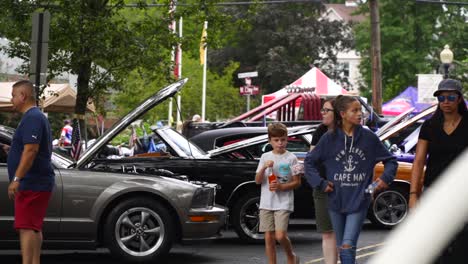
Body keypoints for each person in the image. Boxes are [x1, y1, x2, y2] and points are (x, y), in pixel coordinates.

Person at [304, 95, 397, 264]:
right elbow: (309, 162)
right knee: (343, 248)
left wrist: (382, 180)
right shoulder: (329, 138)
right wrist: (321, 183)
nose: (360, 114)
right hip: (335, 201)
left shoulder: (369, 138)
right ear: (343, 114)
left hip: (359, 199)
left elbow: (391, 161)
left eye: (360, 110)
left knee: (347, 246)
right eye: (354, 110)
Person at [409, 78, 468, 263]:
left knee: (462, 243)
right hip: (433, 191)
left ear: (459, 99)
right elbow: (418, 162)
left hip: (461, 193)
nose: (446, 102)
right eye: (441, 98)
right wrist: (413, 195)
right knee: (435, 243)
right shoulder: (429, 126)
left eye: (451, 97)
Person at [7, 80, 55, 264]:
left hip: (32, 183)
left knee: (27, 228)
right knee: (33, 228)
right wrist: (11, 150)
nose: (12, 100)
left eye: (13, 96)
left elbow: (31, 150)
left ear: (23, 96)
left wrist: (17, 178)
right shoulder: (36, 116)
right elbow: (29, 148)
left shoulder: (32, 117)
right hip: (37, 182)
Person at [255, 123, 301, 264]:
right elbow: (257, 181)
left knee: (280, 236)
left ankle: (291, 256)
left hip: (284, 202)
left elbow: (297, 182)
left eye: (283, 139)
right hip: (267, 202)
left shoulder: (292, 158)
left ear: (287, 139)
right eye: (276, 140)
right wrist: (263, 168)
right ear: (270, 141)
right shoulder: (264, 157)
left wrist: (281, 187)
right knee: (268, 237)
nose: (280, 143)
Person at [310, 99, 337, 264]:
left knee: (342, 233)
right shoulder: (320, 131)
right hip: (323, 187)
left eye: (327, 110)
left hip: (345, 187)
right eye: (322, 110)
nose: (323, 113)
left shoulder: (350, 132)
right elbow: (311, 161)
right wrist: (320, 182)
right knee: (327, 232)